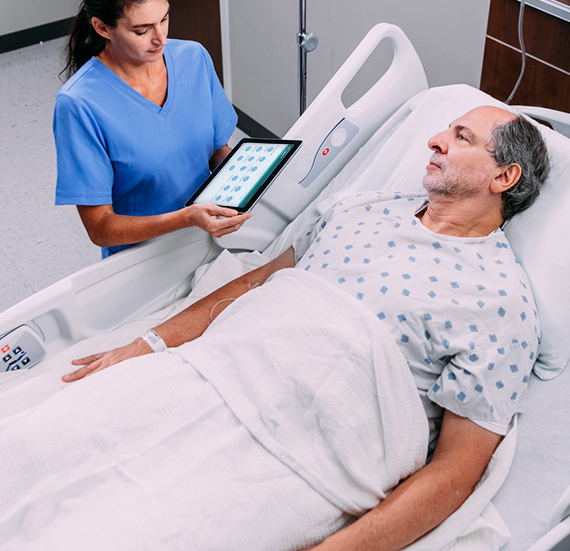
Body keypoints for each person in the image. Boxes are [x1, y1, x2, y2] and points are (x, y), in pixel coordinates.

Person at [54, 105, 549, 550]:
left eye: (461, 137)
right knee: (55, 448)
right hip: (210, 374)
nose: (436, 139)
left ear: (504, 176)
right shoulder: (359, 209)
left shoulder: (499, 303)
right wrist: (149, 344)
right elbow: (256, 284)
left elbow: (455, 472)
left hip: (297, 450)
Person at [53, 0, 251, 258]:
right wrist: (185, 218)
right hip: (142, 258)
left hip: (209, 236)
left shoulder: (193, 58)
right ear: (102, 27)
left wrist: (246, 182)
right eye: (142, 30)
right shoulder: (79, 104)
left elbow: (216, 150)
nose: (160, 38)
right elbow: (100, 228)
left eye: (165, 19)